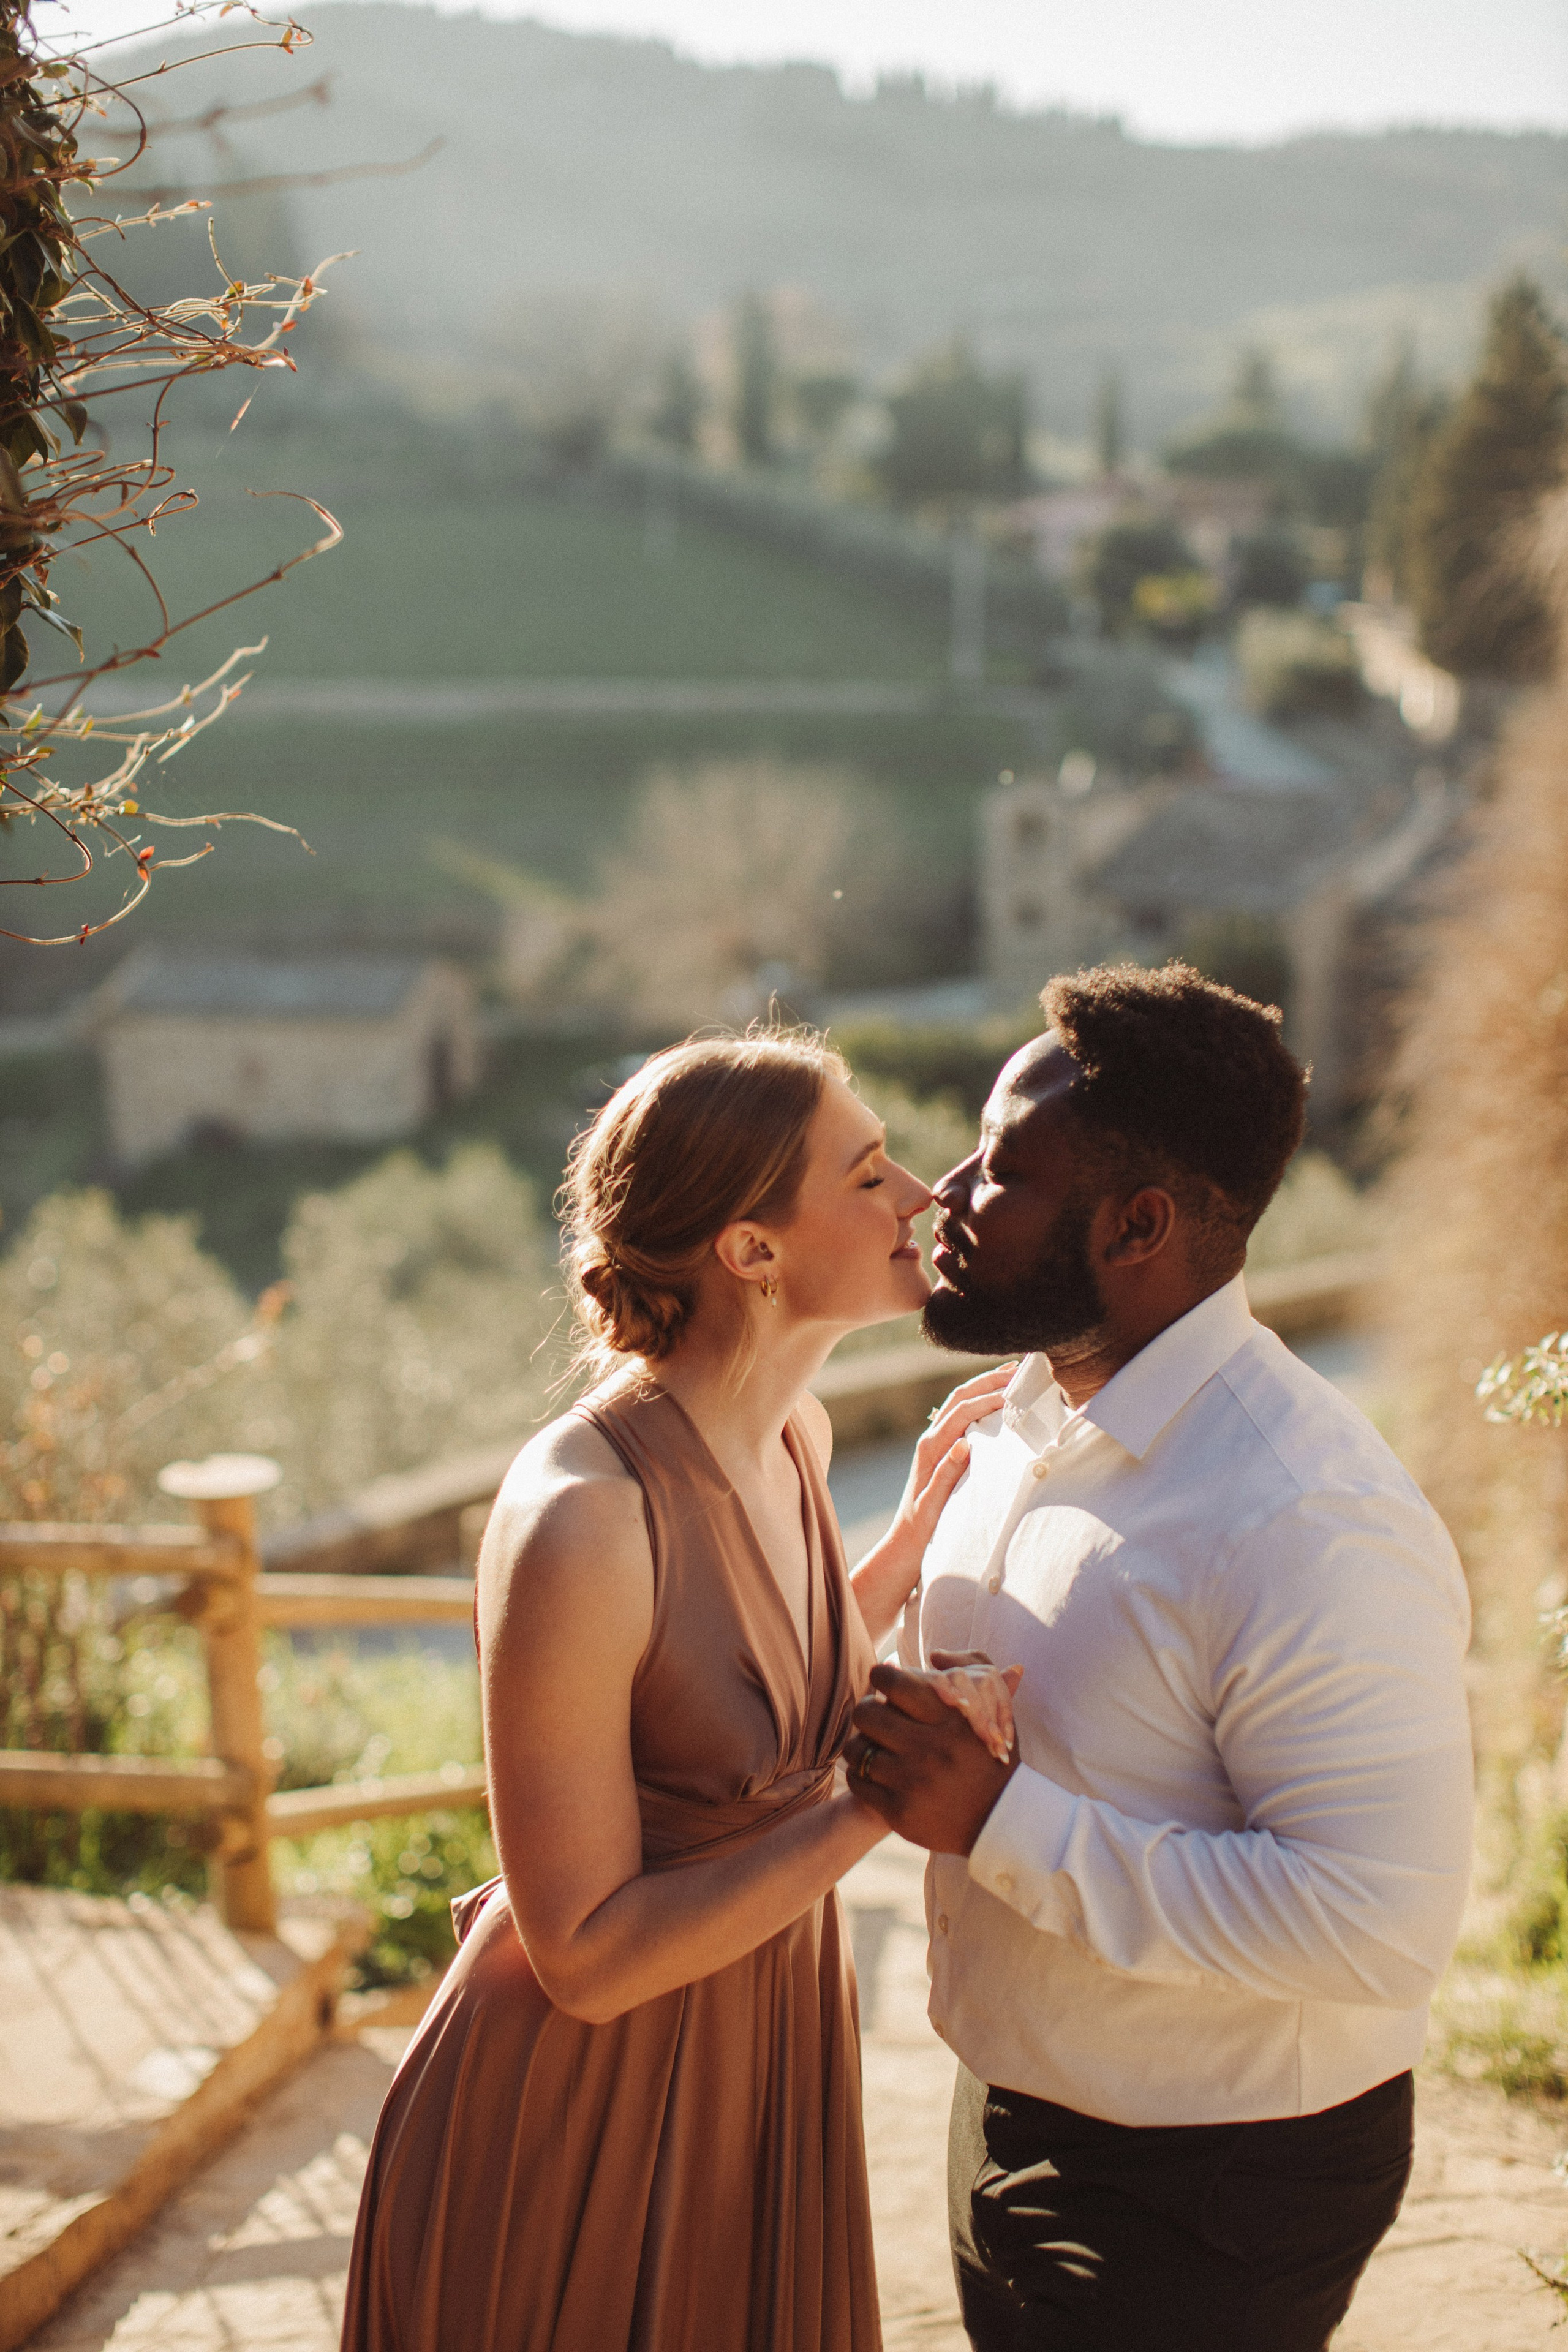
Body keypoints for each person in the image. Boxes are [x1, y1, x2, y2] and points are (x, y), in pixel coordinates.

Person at [340, 1030, 1013, 2352]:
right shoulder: (580, 1518)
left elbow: (736, 1687)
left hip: (759, 2064)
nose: (923, 1196)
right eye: (868, 1171)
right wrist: (877, 1805)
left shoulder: (795, 1434)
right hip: (582, 2109)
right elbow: (584, 1959)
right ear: (749, 1251)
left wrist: (902, 1549)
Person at [845, 963, 1474, 2352]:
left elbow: (1377, 1923)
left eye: (1003, 1171)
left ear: (1138, 1225)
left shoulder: (1306, 1517)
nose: (943, 1193)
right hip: (1008, 2102)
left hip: (1217, 2175)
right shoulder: (1004, 1424)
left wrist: (1002, 1824)